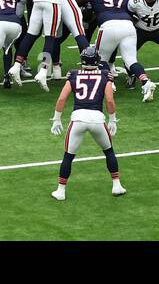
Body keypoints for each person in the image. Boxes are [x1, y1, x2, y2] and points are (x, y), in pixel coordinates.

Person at [50, 46, 126, 201]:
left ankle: (61, 190)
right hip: (97, 118)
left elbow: (62, 99)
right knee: (108, 151)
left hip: (78, 118)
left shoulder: (74, 75)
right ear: (97, 60)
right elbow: (110, 100)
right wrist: (112, 119)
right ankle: (116, 185)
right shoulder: (105, 75)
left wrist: (57, 118)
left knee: (68, 156)